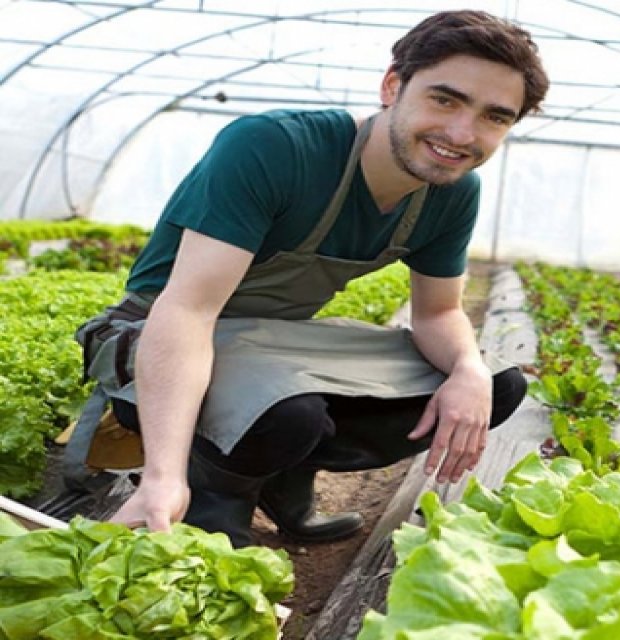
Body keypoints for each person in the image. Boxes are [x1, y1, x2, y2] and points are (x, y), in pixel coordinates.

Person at [73, 10, 548, 547]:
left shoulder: (453, 192)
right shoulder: (276, 148)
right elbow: (187, 311)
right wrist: (163, 475)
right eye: (445, 99)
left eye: (494, 116)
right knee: (289, 411)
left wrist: (467, 369)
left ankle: (283, 472)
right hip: (151, 338)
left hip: (270, 348)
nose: (462, 133)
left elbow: (438, 313)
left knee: (494, 384)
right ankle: (212, 497)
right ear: (393, 86)